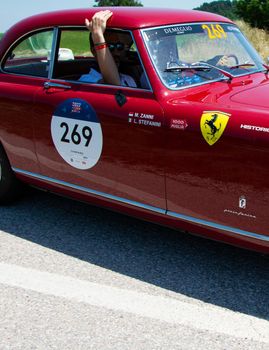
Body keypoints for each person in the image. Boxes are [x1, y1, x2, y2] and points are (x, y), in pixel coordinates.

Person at [79, 10, 136, 87]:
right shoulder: (86, 80)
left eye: (120, 46)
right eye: (110, 47)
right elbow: (112, 85)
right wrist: (97, 35)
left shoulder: (128, 79)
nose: (117, 53)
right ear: (94, 51)